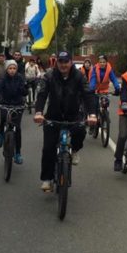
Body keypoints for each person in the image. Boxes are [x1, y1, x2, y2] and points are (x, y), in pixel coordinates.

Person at [33, 51, 98, 192]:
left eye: (66, 62)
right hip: (53, 116)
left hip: (73, 115)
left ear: (71, 62)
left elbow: (88, 94)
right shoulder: (50, 75)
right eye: (60, 62)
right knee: (48, 149)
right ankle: (47, 179)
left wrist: (92, 114)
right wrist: (38, 112)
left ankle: (74, 150)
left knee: (81, 131)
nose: (63, 65)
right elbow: (42, 94)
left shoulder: (79, 76)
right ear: (57, 63)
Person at [0, 59, 28, 164]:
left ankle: (18, 153)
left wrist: (25, 88)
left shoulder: (20, 78)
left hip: (18, 105)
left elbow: (24, 92)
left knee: (18, 128)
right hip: (5, 104)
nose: (12, 70)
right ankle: (1, 134)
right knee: (3, 119)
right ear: (7, 69)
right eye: (10, 68)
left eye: (14, 68)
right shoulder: (3, 79)